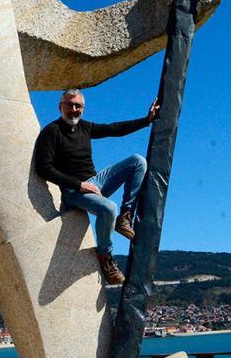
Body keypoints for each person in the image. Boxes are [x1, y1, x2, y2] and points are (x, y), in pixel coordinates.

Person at [35, 89, 159, 284]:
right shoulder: (51, 132)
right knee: (109, 207)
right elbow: (43, 169)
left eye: (78, 106)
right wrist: (79, 184)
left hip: (95, 182)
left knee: (138, 161)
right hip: (73, 191)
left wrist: (146, 120)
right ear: (61, 106)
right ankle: (106, 257)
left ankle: (125, 217)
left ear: (83, 108)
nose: (73, 109)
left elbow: (114, 129)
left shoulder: (85, 127)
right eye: (69, 105)